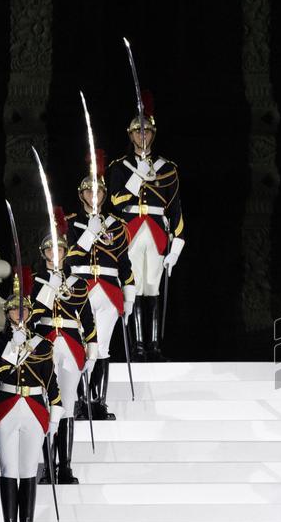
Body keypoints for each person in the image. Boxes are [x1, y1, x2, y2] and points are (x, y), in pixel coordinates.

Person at [0, 273, 63, 522]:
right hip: (7, 407)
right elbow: (1, 372)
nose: (20, 314)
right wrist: (14, 345)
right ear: (7, 313)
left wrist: (55, 415)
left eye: (24, 310)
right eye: (15, 310)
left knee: (29, 467)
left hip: (33, 408)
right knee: (8, 467)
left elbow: (51, 383)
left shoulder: (43, 345)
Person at [106, 95, 183, 361]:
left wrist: (176, 249)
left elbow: (175, 210)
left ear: (152, 134)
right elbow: (116, 200)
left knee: (153, 288)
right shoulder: (120, 167)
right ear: (130, 135)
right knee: (136, 287)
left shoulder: (168, 168)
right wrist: (137, 175)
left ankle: (154, 345)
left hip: (157, 232)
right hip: (132, 230)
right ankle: (138, 345)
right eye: (137, 131)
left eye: (146, 131)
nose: (142, 136)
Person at [67, 161, 136, 420]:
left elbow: (124, 263)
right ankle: (80, 401)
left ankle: (98, 402)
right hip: (81, 291)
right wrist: (88, 235)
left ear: (104, 195)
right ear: (81, 194)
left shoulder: (117, 226)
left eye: (98, 192)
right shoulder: (71, 224)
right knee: (85, 345)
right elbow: (71, 259)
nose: (93, 196)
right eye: (89, 192)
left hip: (108, 290)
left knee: (103, 347)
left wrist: (129, 297)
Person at [29, 221, 97, 484]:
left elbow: (88, 318)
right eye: (50, 250)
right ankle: (48, 467)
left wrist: (92, 348)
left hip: (70, 345)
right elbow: (34, 314)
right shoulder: (36, 283)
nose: (54, 254)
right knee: (49, 405)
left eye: (59, 249)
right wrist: (49, 288)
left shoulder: (77, 284)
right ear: (43, 253)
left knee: (67, 406)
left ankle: (65, 467)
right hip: (46, 344)